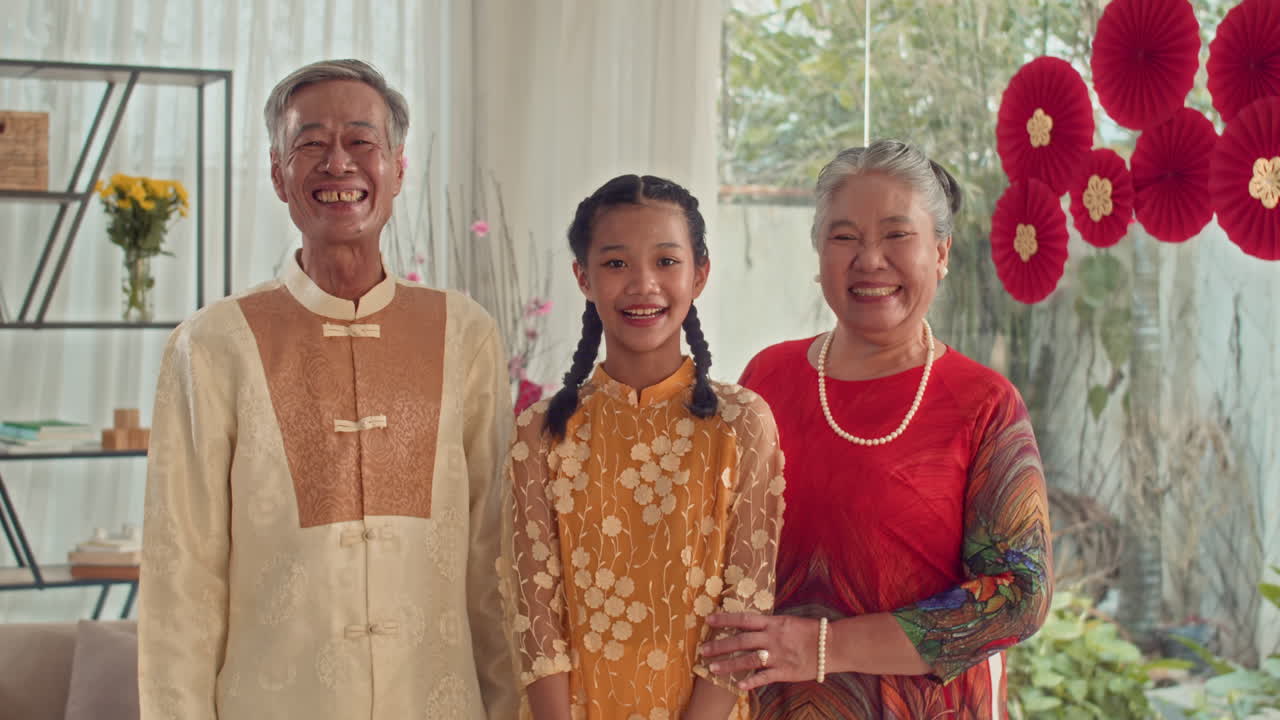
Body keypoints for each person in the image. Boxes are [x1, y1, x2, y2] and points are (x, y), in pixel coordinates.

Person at [138, 59, 517, 719]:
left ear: (398, 168)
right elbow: (182, 581)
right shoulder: (213, 344)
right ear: (278, 174)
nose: (338, 163)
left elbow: (496, 564)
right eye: (310, 144)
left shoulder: (465, 335)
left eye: (361, 142)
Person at [700, 140, 1052, 719]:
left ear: (941, 252)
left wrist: (825, 648)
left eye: (896, 235)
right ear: (819, 254)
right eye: (844, 237)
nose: (869, 260)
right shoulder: (768, 376)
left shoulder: (984, 404)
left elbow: (1019, 595)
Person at [498, 175, 786, 720]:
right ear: (582, 276)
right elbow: (535, 623)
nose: (643, 284)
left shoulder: (743, 424)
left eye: (666, 262)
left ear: (700, 273)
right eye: (615, 264)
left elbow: (744, 612)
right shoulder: (540, 431)